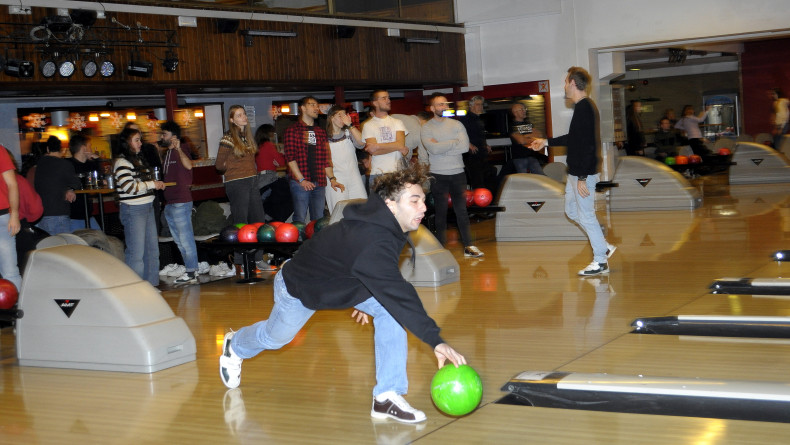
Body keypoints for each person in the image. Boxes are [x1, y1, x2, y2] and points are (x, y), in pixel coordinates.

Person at [219, 163, 467, 424]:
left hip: (334, 282)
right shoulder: (373, 238)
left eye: (423, 200)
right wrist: (436, 340)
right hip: (300, 287)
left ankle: (386, 395)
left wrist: (361, 293)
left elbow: (360, 267)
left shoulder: (385, 227)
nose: (423, 208)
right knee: (275, 338)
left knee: (391, 312)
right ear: (391, 205)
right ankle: (235, 345)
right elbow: (397, 290)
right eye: (414, 201)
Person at [530, 66, 616, 276]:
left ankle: (600, 261)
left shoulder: (585, 107)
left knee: (586, 215)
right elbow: (574, 139)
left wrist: (582, 177)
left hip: (582, 173)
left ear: (573, 83)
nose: (564, 87)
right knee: (571, 211)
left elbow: (587, 146)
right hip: (575, 173)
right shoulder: (582, 107)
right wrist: (546, 142)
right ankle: (603, 246)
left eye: (565, 82)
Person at [421, 93, 484, 258]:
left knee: (461, 211)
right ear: (432, 108)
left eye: (445, 104)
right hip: (438, 174)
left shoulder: (457, 124)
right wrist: (453, 143)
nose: (444, 107)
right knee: (440, 212)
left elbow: (464, 147)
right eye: (439, 104)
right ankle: (440, 248)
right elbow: (433, 149)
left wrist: (442, 146)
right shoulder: (427, 128)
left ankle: (469, 246)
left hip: (458, 173)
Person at [114, 127, 165, 286]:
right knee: (136, 253)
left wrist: (153, 184)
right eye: (136, 140)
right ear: (127, 143)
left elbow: (139, 185)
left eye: (140, 139)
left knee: (152, 251)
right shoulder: (122, 162)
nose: (140, 143)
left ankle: (151, 286)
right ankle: (135, 289)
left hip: (147, 206)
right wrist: (152, 184)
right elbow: (129, 187)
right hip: (133, 209)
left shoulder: (138, 160)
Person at [216, 105, 265, 268]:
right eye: (239, 115)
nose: (243, 117)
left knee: (258, 220)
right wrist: (231, 168)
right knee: (241, 222)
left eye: (243, 114)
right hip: (237, 182)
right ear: (232, 120)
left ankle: (258, 259)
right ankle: (241, 261)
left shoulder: (247, 136)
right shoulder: (228, 138)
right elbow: (219, 165)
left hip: (252, 180)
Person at [283, 96, 343, 223]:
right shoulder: (292, 130)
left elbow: (326, 158)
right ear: (303, 108)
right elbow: (290, 158)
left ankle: (316, 237)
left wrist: (332, 179)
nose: (316, 108)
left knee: (318, 220)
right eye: (312, 105)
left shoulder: (320, 132)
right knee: (300, 218)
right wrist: (302, 180)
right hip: (300, 182)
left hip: (319, 182)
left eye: (317, 105)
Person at [159, 120, 200, 285]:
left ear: (173, 136)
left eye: (164, 134)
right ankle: (190, 268)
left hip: (181, 201)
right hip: (170, 202)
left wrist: (179, 149)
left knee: (186, 239)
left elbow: (189, 166)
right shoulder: (167, 153)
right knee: (179, 240)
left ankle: (191, 271)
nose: (162, 137)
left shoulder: (181, 149)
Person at [361, 89, 410, 189]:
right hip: (378, 173)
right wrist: (396, 146)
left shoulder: (397, 122)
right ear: (375, 103)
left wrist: (378, 146)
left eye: (388, 98)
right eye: (384, 98)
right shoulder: (368, 125)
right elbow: (374, 152)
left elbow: (400, 144)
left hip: (398, 172)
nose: (388, 100)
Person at [34, 136, 81, 236]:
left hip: (42, 213)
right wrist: (70, 189)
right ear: (62, 150)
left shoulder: (40, 164)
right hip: (59, 212)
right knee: (62, 243)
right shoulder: (65, 164)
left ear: (47, 149)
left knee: (49, 243)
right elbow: (76, 183)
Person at [325, 105, 367, 212]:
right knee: (339, 211)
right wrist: (332, 179)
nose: (343, 118)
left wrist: (350, 125)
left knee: (361, 208)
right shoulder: (324, 137)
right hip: (336, 178)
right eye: (340, 115)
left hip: (354, 177)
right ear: (331, 117)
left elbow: (362, 143)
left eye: (345, 115)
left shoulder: (349, 133)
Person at [68, 134, 102, 231]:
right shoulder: (68, 165)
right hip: (73, 216)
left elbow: (100, 179)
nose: (91, 149)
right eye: (90, 146)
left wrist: (97, 160)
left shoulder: (90, 164)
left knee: (100, 237)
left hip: (88, 213)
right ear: (84, 148)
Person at [0, 145, 22, 290]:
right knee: (10, 271)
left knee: (10, 271)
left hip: (1, 217)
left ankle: (16, 302)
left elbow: (12, 184)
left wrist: (14, 214)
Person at [459, 95, 492, 189]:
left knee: (485, 178)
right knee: (477, 180)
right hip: (471, 155)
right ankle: (479, 197)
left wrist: (486, 145)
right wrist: (469, 144)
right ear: (471, 106)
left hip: (481, 153)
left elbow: (480, 135)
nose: (480, 107)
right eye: (478, 104)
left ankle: (485, 196)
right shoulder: (465, 119)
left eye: (481, 104)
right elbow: (460, 134)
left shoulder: (479, 119)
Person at [254, 123, 286, 217]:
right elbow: (281, 162)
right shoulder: (268, 145)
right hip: (269, 177)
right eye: (272, 133)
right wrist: (281, 153)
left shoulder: (258, 146)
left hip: (260, 177)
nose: (273, 136)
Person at [509, 102, 546, 175]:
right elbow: (522, 141)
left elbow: (539, 135)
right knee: (524, 178)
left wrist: (525, 136)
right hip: (519, 157)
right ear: (515, 113)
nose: (524, 111)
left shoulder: (528, 124)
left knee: (540, 176)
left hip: (532, 155)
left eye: (524, 109)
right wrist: (529, 136)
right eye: (521, 109)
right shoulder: (512, 126)